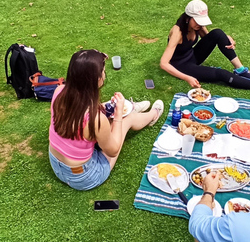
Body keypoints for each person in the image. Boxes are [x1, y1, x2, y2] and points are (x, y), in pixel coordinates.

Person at [48, 49, 165, 191]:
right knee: (127, 119)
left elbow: (79, 112)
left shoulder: (59, 91)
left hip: (56, 164)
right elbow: (113, 151)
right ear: (97, 79)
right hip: (85, 176)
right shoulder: (96, 119)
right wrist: (118, 116)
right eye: (103, 71)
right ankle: (153, 114)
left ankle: (130, 108)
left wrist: (96, 56)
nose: (104, 74)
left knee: (107, 113)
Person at [159, 0, 250, 98]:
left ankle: (240, 70)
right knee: (221, 74)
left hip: (192, 56)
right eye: (197, 21)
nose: (199, 24)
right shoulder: (177, 32)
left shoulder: (198, 26)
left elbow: (210, 39)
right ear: (188, 18)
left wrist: (225, 38)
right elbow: (164, 63)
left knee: (218, 33)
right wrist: (187, 77)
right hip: (181, 66)